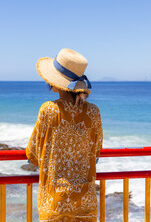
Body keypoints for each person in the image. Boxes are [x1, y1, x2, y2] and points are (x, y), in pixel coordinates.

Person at [26, 48, 103, 222]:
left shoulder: (48, 110)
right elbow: (96, 152)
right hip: (85, 200)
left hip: (54, 201)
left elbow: (33, 153)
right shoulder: (93, 112)